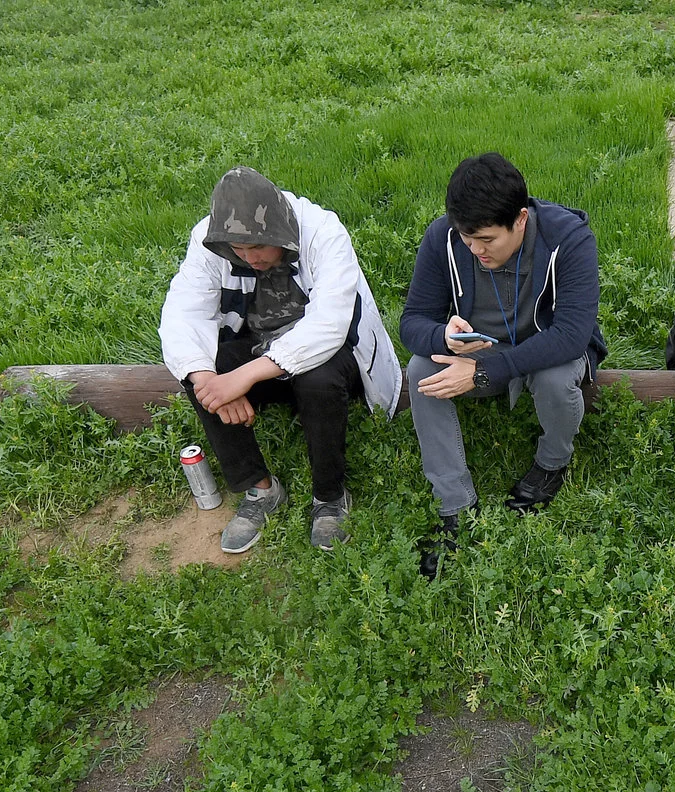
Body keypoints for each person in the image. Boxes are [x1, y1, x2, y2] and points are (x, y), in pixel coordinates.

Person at [160, 167, 402, 554]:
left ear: (282, 232)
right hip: (257, 346)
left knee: (316, 379)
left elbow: (330, 326)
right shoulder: (206, 239)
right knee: (196, 369)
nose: (248, 258)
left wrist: (242, 378)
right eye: (238, 252)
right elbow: (182, 313)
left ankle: (329, 497)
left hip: (333, 358)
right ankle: (260, 489)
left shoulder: (324, 231)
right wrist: (211, 378)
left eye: (257, 249)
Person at [399, 152, 605, 574]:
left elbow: (572, 333)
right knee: (421, 371)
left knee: (554, 378)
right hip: (481, 352)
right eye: (467, 238)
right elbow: (412, 322)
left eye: (487, 240)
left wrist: (488, 371)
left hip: (548, 347)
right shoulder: (443, 238)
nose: (475, 250)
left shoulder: (569, 238)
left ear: (522, 219)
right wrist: (444, 336)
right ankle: (455, 505)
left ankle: (551, 464)